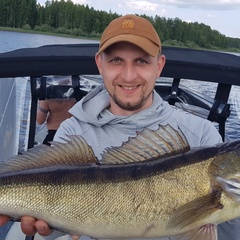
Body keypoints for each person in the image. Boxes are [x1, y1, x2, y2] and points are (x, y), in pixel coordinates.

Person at [0, 14, 238, 240]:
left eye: (141, 61)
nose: (128, 75)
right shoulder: (73, 130)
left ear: (159, 66)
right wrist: (49, 228)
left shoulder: (202, 133)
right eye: (116, 60)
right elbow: (57, 227)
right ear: (99, 64)